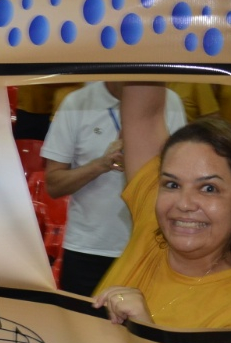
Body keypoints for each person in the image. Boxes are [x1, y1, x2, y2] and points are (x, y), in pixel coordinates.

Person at [93, 86, 231, 329]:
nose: (184, 204)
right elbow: (143, 108)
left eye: (209, 188)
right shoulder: (154, 222)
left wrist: (148, 332)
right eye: (172, 184)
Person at [41, 81, 186, 296]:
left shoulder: (169, 102)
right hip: (88, 249)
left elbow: (182, 176)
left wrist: (146, 166)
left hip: (149, 247)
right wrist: (102, 164)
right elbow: (53, 185)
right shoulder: (77, 103)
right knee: (84, 326)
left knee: (141, 327)